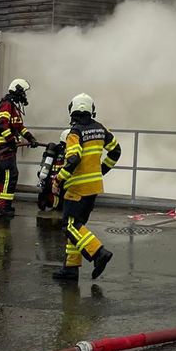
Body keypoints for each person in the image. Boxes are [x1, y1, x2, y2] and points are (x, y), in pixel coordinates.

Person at [52, 93, 121, 281]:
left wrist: (58, 181)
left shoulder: (75, 133)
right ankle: (71, 268)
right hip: (93, 187)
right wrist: (101, 171)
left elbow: (73, 159)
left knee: (70, 226)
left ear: (72, 110)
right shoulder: (101, 129)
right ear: (91, 110)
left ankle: (99, 253)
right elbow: (116, 151)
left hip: (77, 188)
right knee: (77, 227)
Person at [0, 79, 40, 217]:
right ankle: (4, 206)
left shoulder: (13, 107)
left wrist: (30, 138)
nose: (24, 95)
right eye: (23, 92)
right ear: (18, 91)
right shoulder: (7, 105)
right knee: (10, 175)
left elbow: (19, 127)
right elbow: (2, 124)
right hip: (5, 147)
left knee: (2, 176)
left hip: (8, 146)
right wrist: (11, 140)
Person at [37, 129, 70, 212]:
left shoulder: (56, 148)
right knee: (60, 201)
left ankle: (46, 201)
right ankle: (55, 205)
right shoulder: (69, 151)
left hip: (49, 178)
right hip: (59, 179)